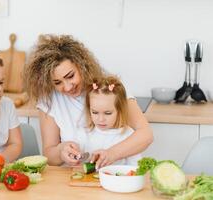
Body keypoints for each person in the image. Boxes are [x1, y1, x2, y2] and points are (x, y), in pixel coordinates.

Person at [24, 34, 153, 167]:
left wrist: (111, 154)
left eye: (70, 76)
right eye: (57, 82)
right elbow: (49, 155)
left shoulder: (108, 89)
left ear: (81, 65)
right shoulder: (49, 100)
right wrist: (60, 151)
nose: (67, 87)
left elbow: (146, 134)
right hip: (71, 177)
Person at [84, 75, 141, 169]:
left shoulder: (129, 135)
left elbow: (136, 168)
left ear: (120, 111)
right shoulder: (87, 132)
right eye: (95, 112)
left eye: (107, 113)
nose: (100, 119)